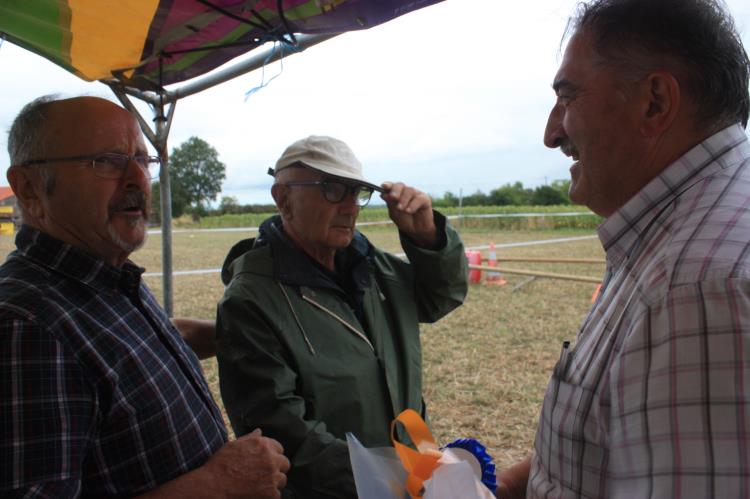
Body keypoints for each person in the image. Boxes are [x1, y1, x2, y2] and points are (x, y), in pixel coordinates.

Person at [496, 0, 750, 497]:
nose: (551, 133)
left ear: (654, 102)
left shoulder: (697, 290)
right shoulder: (677, 231)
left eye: (567, 98)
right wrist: (530, 480)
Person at [0, 95, 290, 498]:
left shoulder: (102, 272)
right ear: (29, 188)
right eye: (107, 160)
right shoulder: (26, 327)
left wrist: (248, 335)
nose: (138, 178)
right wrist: (218, 484)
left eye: (142, 160)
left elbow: (138, 349)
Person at [216, 135, 468, 497]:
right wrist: (384, 483)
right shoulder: (251, 299)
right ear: (283, 198)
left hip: (412, 471)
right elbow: (283, 431)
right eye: (333, 189)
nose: (350, 207)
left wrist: (428, 237)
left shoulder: (373, 267)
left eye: (356, 192)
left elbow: (440, 297)